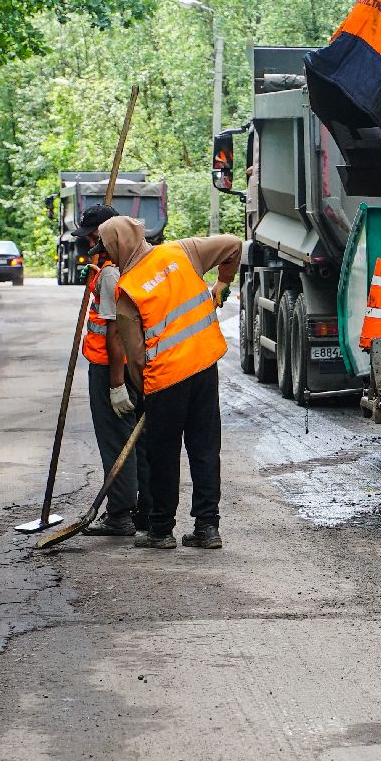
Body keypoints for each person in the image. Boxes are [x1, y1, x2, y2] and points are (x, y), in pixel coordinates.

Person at [98, 216, 242, 550]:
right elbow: (234, 244)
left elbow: (135, 356)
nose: (107, 256)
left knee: (163, 455)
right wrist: (223, 282)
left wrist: (143, 389)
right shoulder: (183, 251)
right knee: (205, 449)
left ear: (119, 246)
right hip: (204, 367)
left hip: (165, 380)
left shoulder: (128, 289)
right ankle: (208, 528)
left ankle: (161, 530)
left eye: (107, 248)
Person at [75, 205, 151, 538]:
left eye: (93, 237)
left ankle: (120, 514)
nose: (89, 243)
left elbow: (114, 331)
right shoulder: (127, 264)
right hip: (130, 366)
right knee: (133, 441)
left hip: (110, 369)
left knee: (116, 441)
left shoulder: (111, 274)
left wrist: (116, 384)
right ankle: (142, 511)